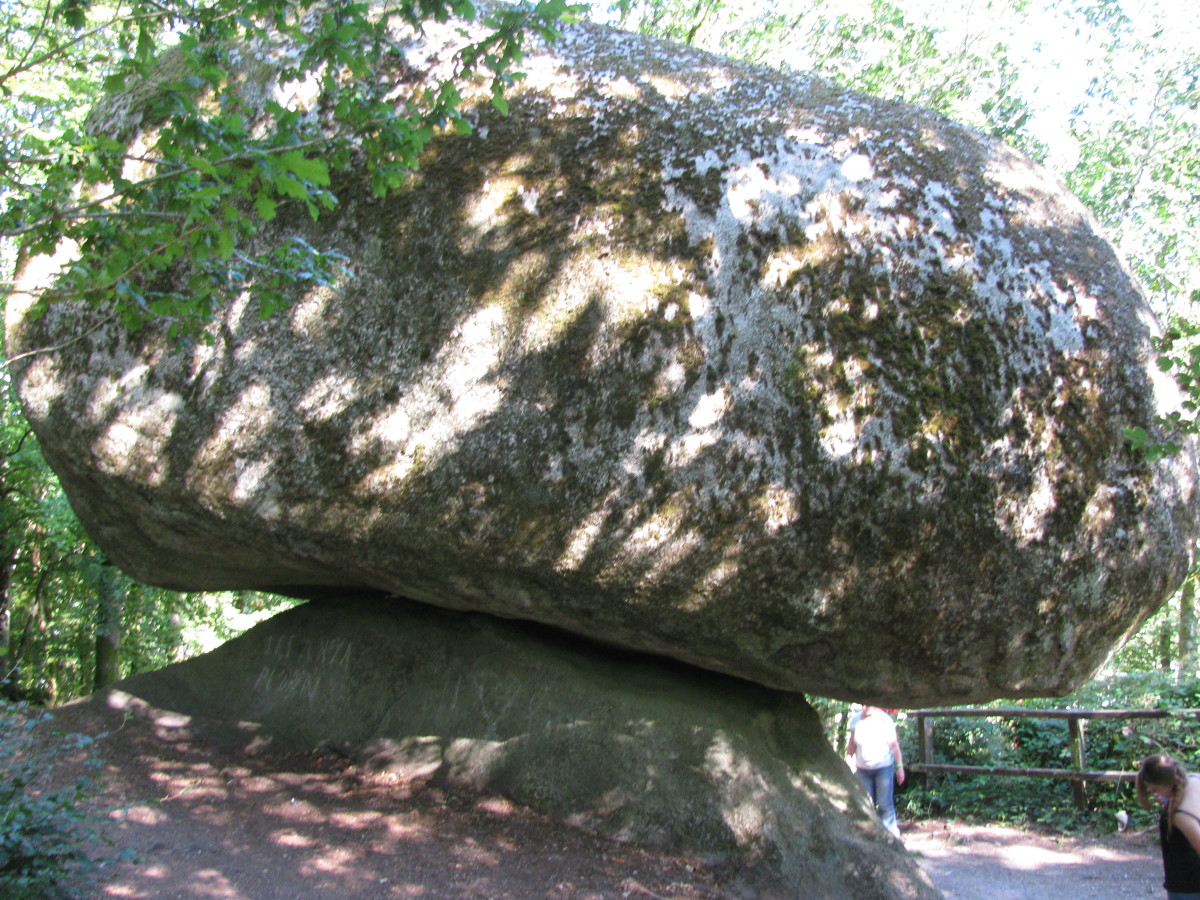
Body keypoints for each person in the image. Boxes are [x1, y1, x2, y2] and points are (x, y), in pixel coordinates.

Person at [1138, 754, 1200, 899]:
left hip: (1188, 887)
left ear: (1167, 785)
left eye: (1155, 790)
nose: (1154, 795)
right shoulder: (1194, 779)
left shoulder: (1181, 815)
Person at [847, 705, 905, 839]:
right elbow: (852, 743)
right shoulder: (855, 720)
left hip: (883, 768)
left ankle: (892, 838)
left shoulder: (884, 720)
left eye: (868, 704)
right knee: (867, 805)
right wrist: (848, 760)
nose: (865, 707)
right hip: (863, 770)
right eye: (863, 704)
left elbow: (894, 746)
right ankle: (872, 837)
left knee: (885, 804)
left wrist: (900, 768)